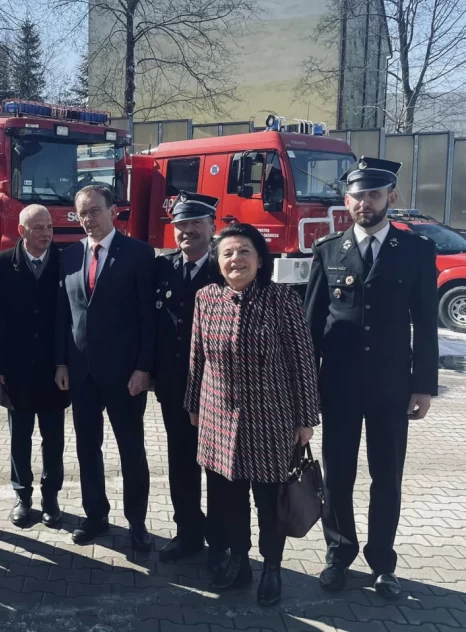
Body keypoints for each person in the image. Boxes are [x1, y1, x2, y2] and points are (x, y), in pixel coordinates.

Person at [305, 157, 438, 600]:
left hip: (390, 386)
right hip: (338, 386)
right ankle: (338, 555)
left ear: (390, 198)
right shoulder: (328, 250)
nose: (366, 202)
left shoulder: (415, 249)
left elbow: (425, 322)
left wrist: (423, 385)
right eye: (358, 195)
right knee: (337, 476)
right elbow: (311, 325)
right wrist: (306, 388)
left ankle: (383, 562)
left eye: (374, 194)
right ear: (347, 201)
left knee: (387, 477)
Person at [185, 223, 319, 606]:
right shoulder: (206, 298)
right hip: (218, 420)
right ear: (217, 262)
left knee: (269, 502)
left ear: (260, 259)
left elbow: (303, 362)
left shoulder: (282, 300)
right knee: (229, 501)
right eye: (227, 253)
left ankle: (272, 569)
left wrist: (305, 419)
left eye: (244, 251)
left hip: (270, 421)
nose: (236, 259)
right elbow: (197, 358)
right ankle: (239, 561)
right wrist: (193, 405)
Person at [54, 184, 155, 552]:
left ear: (113, 211)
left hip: (125, 374)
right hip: (81, 372)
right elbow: (63, 314)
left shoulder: (139, 254)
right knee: (87, 448)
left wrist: (144, 368)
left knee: (131, 449)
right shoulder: (69, 256)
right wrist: (61, 362)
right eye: (82, 213)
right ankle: (95, 515)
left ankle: (137, 521)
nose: (88, 219)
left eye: (95, 211)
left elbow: (148, 317)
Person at [150, 192, 225, 569]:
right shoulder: (163, 268)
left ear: (213, 227)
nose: (187, 231)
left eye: (196, 223)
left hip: (220, 389)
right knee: (181, 461)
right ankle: (188, 532)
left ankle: (224, 540)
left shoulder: (225, 267)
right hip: (175, 385)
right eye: (180, 224)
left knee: (221, 468)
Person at [0, 205, 70, 529]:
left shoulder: (65, 262)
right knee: (19, 439)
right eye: (38, 228)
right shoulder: (1, 263)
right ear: (21, 231)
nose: (46, 233)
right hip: (15, 371)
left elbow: (70, 316)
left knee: (54, 439)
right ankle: (22, 496)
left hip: (54, 370)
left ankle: (51, 497)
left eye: (49, 227)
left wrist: (64, 363)